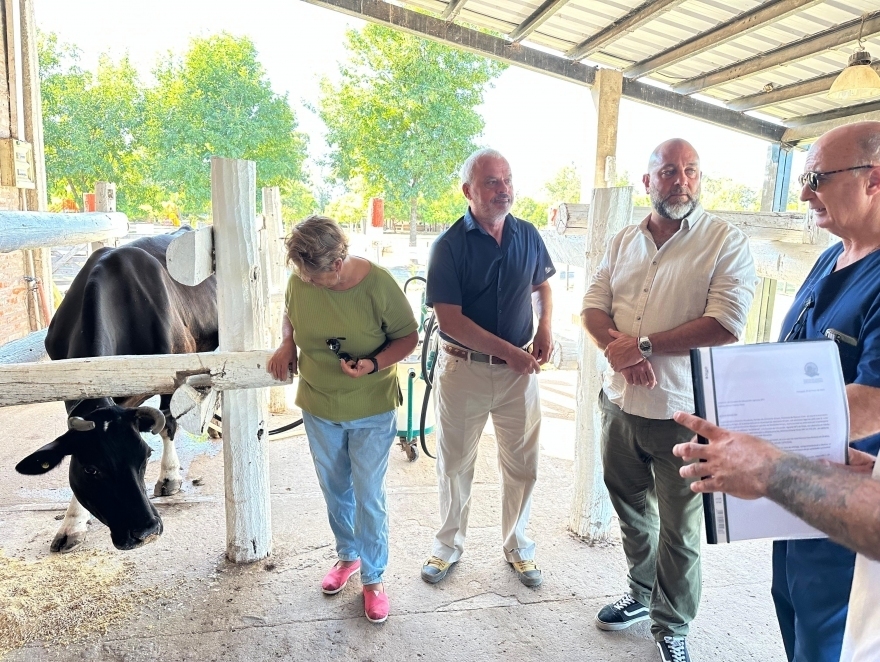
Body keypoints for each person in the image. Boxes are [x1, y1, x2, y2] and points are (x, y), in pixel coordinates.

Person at [674, 121, 880, 662]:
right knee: (791, 611)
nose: (804, 191)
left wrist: (749, 441)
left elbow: (875, 400)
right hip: (798, 490)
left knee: (830, 640)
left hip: (853, 505)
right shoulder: (833, 255)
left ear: (874, 178)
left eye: (815, 177)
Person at [581, 138, 756, 662]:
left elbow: (727, 323)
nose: (682, 180)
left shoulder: (724, 241)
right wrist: (623, 353)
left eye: (692, 171)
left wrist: (646, 345)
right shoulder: (622, 241)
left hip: (681, 410)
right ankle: (641, 593)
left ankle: (672, 623)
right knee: (630, 505)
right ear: (648, 181)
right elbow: (592, 306)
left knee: (681, 526)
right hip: (620, 403)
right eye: (670, 171)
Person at [267, 215, 418, 625]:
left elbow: (408, 336)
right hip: (319, 404)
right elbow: (292, 313)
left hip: (370, 405)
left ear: (337, 263)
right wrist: (286, 343)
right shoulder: (302, 281)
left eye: (315, 276)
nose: (308, 282)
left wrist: (373, 363)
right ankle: (348, 556)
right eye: (302, 274)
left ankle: (374, 577)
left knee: (367, 492)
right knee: (335, 487)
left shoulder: (378, 284)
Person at [420, 148, 555, 588]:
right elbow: (450, 320)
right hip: (465, 371)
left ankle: (518, 546)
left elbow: (542, 286)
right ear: (468, 191)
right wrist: (509, 352)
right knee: (455, 463)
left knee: (522, 464)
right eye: (492, 182)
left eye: (508, 180)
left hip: (520, 373)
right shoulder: (449, 246)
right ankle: (447, 547)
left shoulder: (527, 234)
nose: (504, 190)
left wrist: (546, 327)